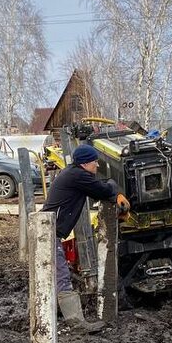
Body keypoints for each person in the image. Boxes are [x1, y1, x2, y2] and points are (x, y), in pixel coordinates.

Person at [41, 142, 130, 332]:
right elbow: (103, 190)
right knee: (62, 276)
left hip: (46, 229)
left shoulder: (73, 173)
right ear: (84, 163)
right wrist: (117, 193)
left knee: (52, 276)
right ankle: (76, 323)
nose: (96, 166)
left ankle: (52, 312)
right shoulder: (78, 175)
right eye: (94, 162)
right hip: (47, 231)